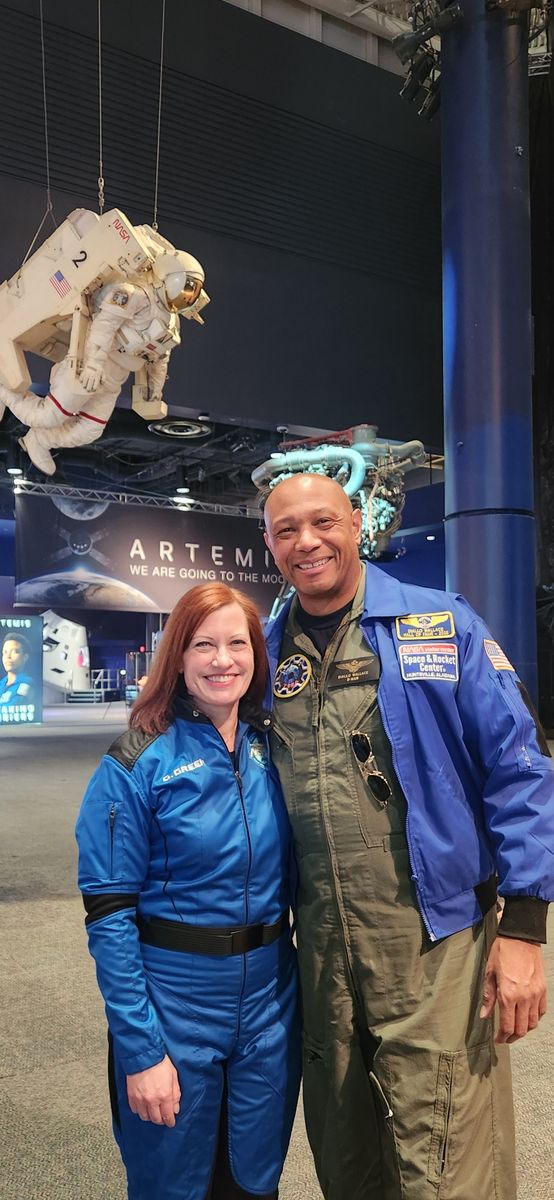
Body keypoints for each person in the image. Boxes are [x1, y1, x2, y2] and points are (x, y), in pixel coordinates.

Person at [262, 472, 554, 1200]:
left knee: (448, 1156)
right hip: (321, 946)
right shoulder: (265, 653)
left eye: (323, 522)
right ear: (268, 544)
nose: (308, 542)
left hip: (435, 940)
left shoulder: (438, 624)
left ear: (357, 523)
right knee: (348, 1155)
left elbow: (521, 769)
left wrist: (523, 928)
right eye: (287, 529)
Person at [75, 583, 300, 1200]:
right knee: (173, 1183)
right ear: (177, 656)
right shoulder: (134, 765)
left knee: (255, 1181)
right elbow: (110, 917)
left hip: (270, 1008)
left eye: (236, 643)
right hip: (174, 1006)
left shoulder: (274, 751)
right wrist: (141, 1050)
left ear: (257, 655)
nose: (221, 659)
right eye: (203, 644)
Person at [0, 250, 205, 476]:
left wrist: (154, 392)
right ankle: (3, 391)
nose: (187, 295)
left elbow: (159, 357)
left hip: (114, 380)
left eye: (192, 290)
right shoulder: (134, 295)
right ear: (168, 276)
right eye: (186, 287)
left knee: (90, 430)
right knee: (49, 416)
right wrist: (93, 365)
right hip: (89, 367)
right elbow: (104, 324)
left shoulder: (171, 322)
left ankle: (39, 440)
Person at [0, 631, 34, 708]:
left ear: (25, 657)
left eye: (15, 651)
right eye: (5, 652)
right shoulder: (2, 683)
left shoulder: (27, 685)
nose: (8, 656)